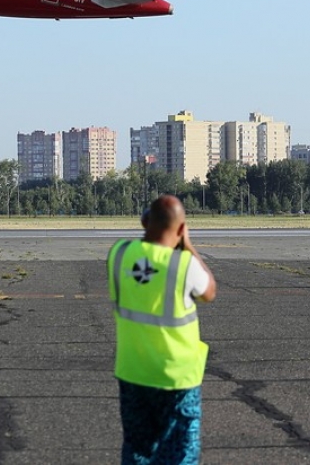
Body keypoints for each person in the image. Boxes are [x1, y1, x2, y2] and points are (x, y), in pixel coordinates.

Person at [107, 194, 217, 465]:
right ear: (180, 229)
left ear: (145, 222)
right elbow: (209, 292)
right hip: (176, 377)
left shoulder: (119, 254)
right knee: (180, 451)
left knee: (137, 449)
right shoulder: (183, 264)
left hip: (133, 372)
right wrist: (187, 244)